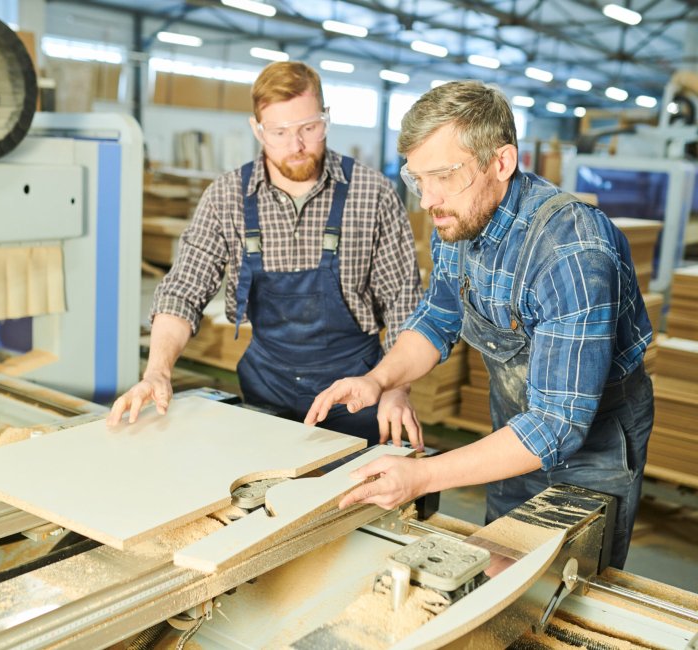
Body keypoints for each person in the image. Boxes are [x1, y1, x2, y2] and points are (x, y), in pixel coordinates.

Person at [305, 80, 654, 568]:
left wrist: (423, 477)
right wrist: (378, 379)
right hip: (513, 429)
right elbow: (437, 318)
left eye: (443, 176)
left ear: (502, 163)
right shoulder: (458, 219)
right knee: (501, 564)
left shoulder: (571, 252)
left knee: (568, 586)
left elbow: (557, 423)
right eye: (418, 180)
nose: (428, 200)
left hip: (590, 442)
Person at [108, 61, 423, 447]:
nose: (297, 146)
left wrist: (395, 387)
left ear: (326, 117)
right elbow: (182, 291)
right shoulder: (227, 197)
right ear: (256, 129)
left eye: (309, 127)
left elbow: (404, 306)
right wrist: (157, 371)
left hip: (356, 390)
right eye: (279, 132)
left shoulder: (372, 194)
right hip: (267, 387)